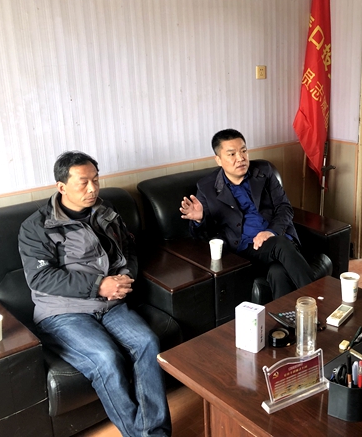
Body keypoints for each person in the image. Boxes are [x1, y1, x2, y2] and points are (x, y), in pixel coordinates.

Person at [18, 151, 171, 437]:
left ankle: (154, 432)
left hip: (110, 304)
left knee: (148, 342)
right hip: (63, 312)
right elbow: (40, 277)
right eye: (83, 182)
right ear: (62, 186)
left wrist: (126, 276)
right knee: (106, 358)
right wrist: (99, 285)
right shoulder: (36, 226)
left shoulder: (105, 211)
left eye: (96, 180)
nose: (92, 189)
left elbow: (128, 248)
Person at [180, 129, 315, 299]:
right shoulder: (207, 187)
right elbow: (203, 236)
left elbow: (284, 207)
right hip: (246, 247)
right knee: (280, 245)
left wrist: (271, 232)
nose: (241, 158)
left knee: (278, 272)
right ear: (218, 160)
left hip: (278, 236)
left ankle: (284, 317)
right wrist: (200, 219)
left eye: (243, 151)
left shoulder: (264, 171)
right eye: (232, 154)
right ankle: (320, 301)